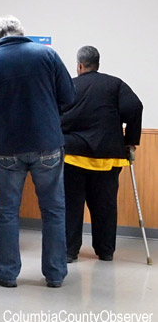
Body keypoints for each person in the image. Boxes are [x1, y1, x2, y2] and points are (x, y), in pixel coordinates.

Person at [0, 16, 75, 288]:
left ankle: (7, 273)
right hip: (47, 144)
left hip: (8, 148)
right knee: (53, 211)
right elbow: (69, 96)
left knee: (7, 213)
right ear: (22, 32)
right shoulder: (47, 55)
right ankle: (55, 274)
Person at [61, 46, 143, 263]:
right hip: (108, 156)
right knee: (105, 204)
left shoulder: (69, 85)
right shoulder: (115, 84)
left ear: (79, 65)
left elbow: (54, 114)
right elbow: (135, 107)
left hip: (73, 155)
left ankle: (70, 251)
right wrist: (130, 141)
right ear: (98, 64)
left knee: (71, 204)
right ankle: (105, 251)